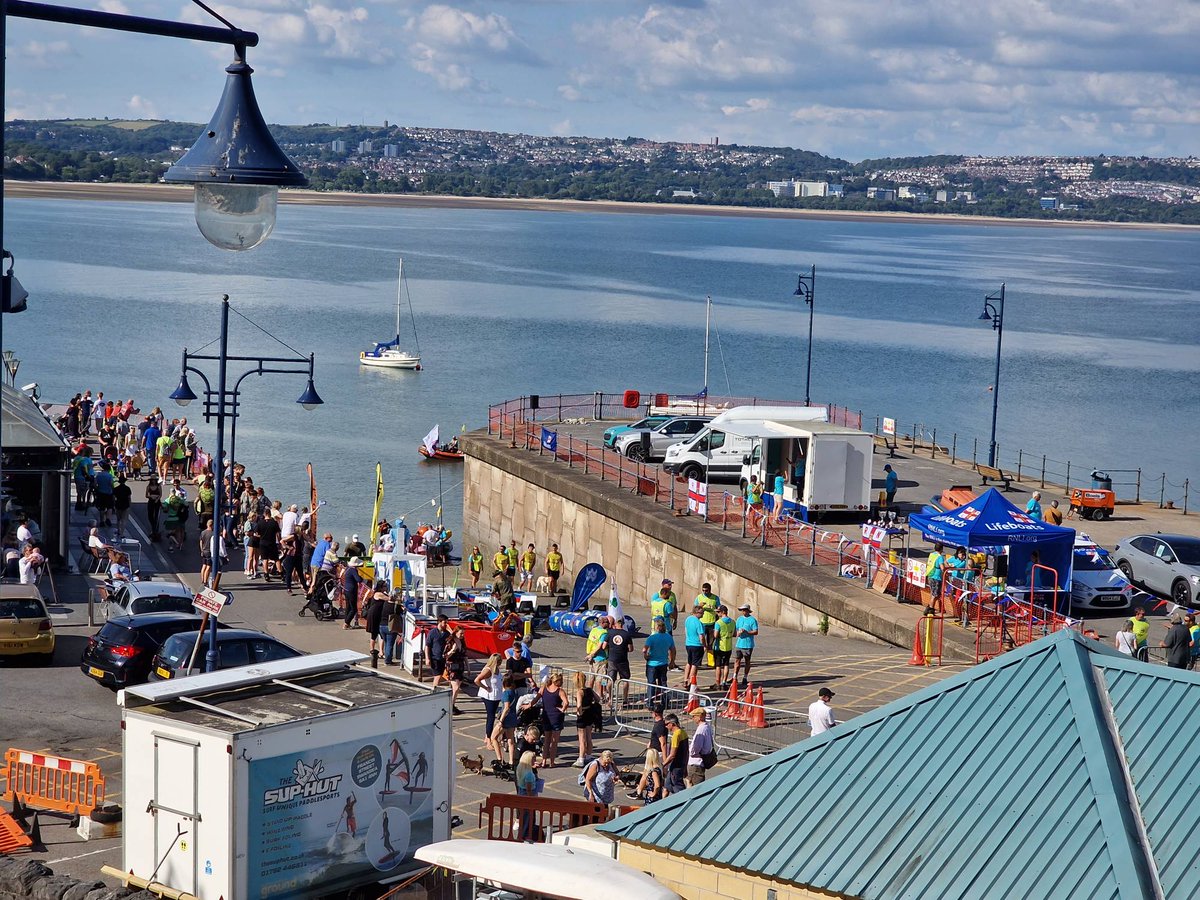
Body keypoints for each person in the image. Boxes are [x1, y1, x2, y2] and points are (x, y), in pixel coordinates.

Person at [471, 653, 502, 753]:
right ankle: (488, 739)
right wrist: (485, 687)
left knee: (492, 716)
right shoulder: (488, 670)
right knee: (491, 717)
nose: (500, 663)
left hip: (496, 696)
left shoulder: (496, 669)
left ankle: (487, 736)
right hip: (489, 696)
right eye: (499, 662)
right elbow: (477, 680)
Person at [602, 617, 634, 706]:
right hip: (623, 660)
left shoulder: (610, 633)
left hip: (612, 659)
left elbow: (604, 646)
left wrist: (611, 648)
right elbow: (631, 649)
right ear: (623, 624)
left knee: (610, 680)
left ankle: (610, 699)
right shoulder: (626, 634)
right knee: (625, 680)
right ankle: (625, 700)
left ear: (616, 623)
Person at [643, 618, 675, 706]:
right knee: (663, 683)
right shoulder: (668, 637)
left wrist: (646, 656)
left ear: (656, 627)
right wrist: (672, 661)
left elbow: (644, 649)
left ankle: (650, 702)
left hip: (652, 664)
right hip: (663, 663)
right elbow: (672, 650)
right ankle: (665, 702)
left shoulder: (652, 637)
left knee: (651, 683)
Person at [573, 672, 603, 767]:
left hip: (583, 715)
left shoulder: (579, 692)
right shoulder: (589, 690)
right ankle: (589, 756)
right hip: (590, 713)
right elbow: (598, 698)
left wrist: (579, 713)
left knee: (582, 739)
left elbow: (579, 705)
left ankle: (581, 758)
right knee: (589, 737)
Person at [538, 673, 568, 767]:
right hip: (556, 717)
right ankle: (551, 762)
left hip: (546, 716)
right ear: (556, 681)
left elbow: (536, 698)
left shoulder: (544, 688)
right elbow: (566, 703)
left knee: (546, 740)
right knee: (554, 741)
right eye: (561, 681)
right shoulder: (560, 691)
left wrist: (528, 705)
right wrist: (562, 709)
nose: (562, 683)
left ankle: (543, 761)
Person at [493, 673, 522, 764]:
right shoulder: (514, 692)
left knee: (494, 737)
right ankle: (511, 761)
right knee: (511, 741)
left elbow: (506, 707)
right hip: (513, 717)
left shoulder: (506, 693)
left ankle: (499, 759)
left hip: (506, 718)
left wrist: (501, 720)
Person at [686, 707, 714, 786]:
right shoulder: (707, 727)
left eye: (694, 716)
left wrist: (690, 752)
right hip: (700, 763)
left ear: (700, 716)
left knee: (693, 789)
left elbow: (695, 748)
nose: (693, 718)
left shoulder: (701, 729)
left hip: (696, 764)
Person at [733, 603, 759, 686]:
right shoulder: (739, 619)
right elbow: (736, 630)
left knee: (747, 661)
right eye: (742, 610)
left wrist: (747, 632)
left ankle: (745, 677)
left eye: (744, 610)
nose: (743, 611)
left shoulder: (752, 620)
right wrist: (738, 633)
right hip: (739, 643)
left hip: (748, 644)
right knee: (737, 660)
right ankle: (735, 677)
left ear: (748, 611)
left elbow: (756, 631)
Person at [663, 714, 688, 794]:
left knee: (678, 789)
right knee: (667, 785)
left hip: (676, 767)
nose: (666, 726)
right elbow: (686, 752)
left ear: (672, 724)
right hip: (681, 765)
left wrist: (664, 764)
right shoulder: (683, 732)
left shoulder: (676, 735)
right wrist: (685, 766)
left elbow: (672, 755)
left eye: (667, 724)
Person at [444, 627, 467, 715]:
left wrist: (468, 667)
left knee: (456, 689)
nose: (462, 635)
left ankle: (453, 704)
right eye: (461, 633)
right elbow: (445, 656)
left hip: (460, 666)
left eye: (463, 633)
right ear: (456, 633)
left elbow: (464, 655)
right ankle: (451, 705)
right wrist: (453, 650)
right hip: (452, 666)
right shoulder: (450, 641)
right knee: (456, 687)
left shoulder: (462, 641)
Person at [712, 605, 736, 689]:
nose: (717, 613)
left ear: (723, 612)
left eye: (718, 612)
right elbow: (735, 634)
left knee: (718, 665)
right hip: (728, 646)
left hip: (719, 646)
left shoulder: (718, 623)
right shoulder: (733, 622)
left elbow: (715, 635)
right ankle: (724, 682)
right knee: (726, 664)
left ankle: (717, 683)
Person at [683, 604, 705, 687]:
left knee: (689, 662)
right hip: (697, 645)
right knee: (695, 664)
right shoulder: (698, 623)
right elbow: (701, 636)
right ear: (697, 612)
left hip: (688, 644)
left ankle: (685, 679)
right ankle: (690, 681)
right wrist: (704, 645)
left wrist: (688, 638)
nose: (703, 614)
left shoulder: (688, 619)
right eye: (702, 613)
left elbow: (685, 631)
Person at [342, 557, 365, 629]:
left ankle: (346, 622)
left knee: (348, 607)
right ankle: (346, 623)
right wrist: (362, 577)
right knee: (354, 609)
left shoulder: (347, 569)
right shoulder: (353, 570)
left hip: (346, 589)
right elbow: (358, 579)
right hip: (352, 591)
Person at [695, 583, 720, 649]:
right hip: (701, 623)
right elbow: (694, 610)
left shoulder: (715, 598)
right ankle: (699, 657)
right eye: (703, 590)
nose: (704, 592)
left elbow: (719, 609)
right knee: (700, 642)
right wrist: (699, 606)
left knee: (710, 644)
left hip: (711, 623)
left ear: (710, 590)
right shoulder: (699, 597)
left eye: (706, 590)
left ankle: (709, 658)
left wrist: (713, 609)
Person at [383, 591, 403, 666]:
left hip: (381, 625)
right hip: (390, 626)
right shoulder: (396, 606)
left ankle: (386, 658)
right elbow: (402, 611)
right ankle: (388, 661)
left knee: (386, 643)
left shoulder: (384, 604)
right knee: (389, 644)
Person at [112, 475, 133, 539]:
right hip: (125, 504)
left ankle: (118, 530)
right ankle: (122, 533)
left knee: (118, 519)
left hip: (118, 504)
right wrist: (129, 505)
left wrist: (114, 504)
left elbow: (113, 497)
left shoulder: (116, 489)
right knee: (124, 519)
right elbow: (129, 498)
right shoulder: (127, 488)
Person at [926, 543, 945, 609]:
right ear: (942, 549)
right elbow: (942, 568)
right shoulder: (940, 557)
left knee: (933, 593)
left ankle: (929, 607)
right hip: (937, 577)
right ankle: (930, 609)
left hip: (930, 575)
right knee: (935, 595)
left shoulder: (932, 555)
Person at [145, 474, 162, 540]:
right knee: (150, 515)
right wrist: (150, 496)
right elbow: (146, 495)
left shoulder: (158, 486)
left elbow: (160, 494)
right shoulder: (148, 487)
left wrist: (157, 499)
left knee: (156, 516)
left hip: (157, 502)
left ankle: (155, 530)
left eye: (154, 480)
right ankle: (153, 527)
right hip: (151, 502)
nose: (153, 481)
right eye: (152, 480)